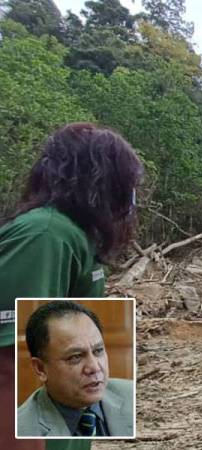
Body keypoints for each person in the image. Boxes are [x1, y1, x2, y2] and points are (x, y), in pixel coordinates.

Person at [0, 123, 142, 449]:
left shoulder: (75, 238)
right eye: (127, 185)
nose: (130, 199)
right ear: (101, 181)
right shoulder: (45, 236)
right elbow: (9, 362)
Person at [18, 301, 134, 437]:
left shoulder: (133, 395)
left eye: (98, 351)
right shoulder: (20, 430)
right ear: (41, 368)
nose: (95, 367)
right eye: (76, 357)